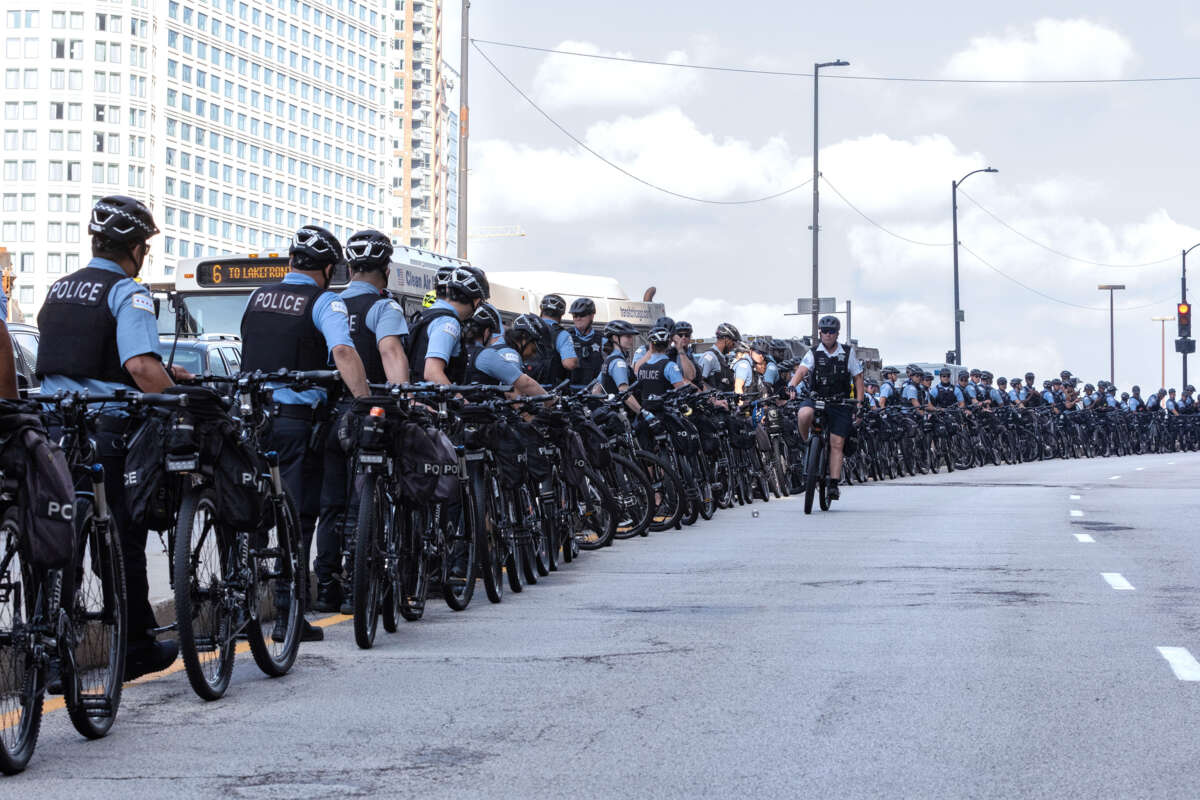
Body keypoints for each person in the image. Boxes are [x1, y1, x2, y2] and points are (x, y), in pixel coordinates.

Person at [37, 195, 189, 680]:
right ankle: (136, 647)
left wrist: (170, 372)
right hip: (108, 428)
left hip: (54, 427)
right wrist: (179, 404)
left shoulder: (59, 289)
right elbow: (140, 367)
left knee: (59, 532)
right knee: (121, 533)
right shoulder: (129, 292)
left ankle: (54, 649)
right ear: (135, 249)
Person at [313, 229, 409, 613]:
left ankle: (325, 587)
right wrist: (403, 397)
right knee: (361, 503)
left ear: (348, 268)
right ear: (385, 270)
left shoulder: (328, 304)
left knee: (330, 505)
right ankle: (356, 588)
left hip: (329, 416)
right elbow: (390, 351)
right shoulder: (384, 307)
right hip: (368, 415)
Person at [785, 315, 864, 500]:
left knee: (837, 443)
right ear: (819, 333)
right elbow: (802, 370)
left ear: (837, 334)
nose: (828, 335)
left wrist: (859, 403)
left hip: (840, 402)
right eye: (824, 331)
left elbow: (858, 377)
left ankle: (834, 484)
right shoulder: (813, 352)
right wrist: (792, 386)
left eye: (832, 331)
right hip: (816, 398)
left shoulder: (847, 352)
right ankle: (807, 444)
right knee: (804, 414)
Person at [407, 266, 488, 384]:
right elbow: (432, 373)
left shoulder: (426, 315)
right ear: (476, 301)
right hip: (432, 400)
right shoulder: (448, 322)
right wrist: (459, 397)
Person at [465, 312, 549, 397]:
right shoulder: (511, 354)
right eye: (534, 349)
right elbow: (512, 392)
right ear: (524, 338)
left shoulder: (497, 346)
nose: (533, 355)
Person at [634, 326, 692, 412]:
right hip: (666, 416)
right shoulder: (670, 366)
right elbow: (681, 392)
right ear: (668, 345)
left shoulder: (642, 367)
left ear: (651, 345)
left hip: (647, 415)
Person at [528, 294, 578, 385]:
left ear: (542, 310)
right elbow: (569, 364)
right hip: (549, 391)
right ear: (561, 315)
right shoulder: (562, 334)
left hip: (523, 386)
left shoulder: (527, 327)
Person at [567, 297, 602, 388]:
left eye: (582, 315)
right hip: (569, 394)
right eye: (575, 315)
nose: (578, 318)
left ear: (592, 316)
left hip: (594, 392)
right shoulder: (565, 336)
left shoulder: (603, 339)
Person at [697, 322, 740, 391]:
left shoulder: (723, 358)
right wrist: (713, 398)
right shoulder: (709, 357)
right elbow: (699, 382)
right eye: (733, 342)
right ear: (726, 339)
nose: (734, 346)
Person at [668, 320, 702, 388]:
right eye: (680, 335)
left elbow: (699, 379)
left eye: (687, 335)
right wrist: (680, 349)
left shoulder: (689, 353)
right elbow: (690, 377)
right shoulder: (671, 355)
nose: (683, 337)